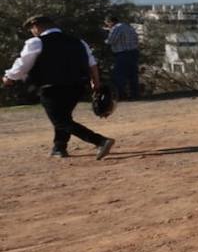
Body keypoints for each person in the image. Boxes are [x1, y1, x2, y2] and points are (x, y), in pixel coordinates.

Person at [4, 15, 115, 160]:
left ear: (37, 26)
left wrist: (9, 77)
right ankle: (59, 147)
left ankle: (100, 141)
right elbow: (92, 64)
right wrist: (96, 83)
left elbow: (23, 64)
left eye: (31, 28)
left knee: (60, 121)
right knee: (64, 117)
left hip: (51, 88)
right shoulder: (78, 42)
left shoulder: (36, 42)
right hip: (77, 87)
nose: (32, 31)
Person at [103, 13, 140, 101]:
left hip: (123, 54)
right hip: (133, 52)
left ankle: (120, 96)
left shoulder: (116, 28)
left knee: (119, 76)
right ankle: (135, 95)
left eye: (107, 23)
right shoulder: (128, 27)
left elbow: (111, 41)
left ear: (110, 22)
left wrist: (105, 37)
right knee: (133, 75)